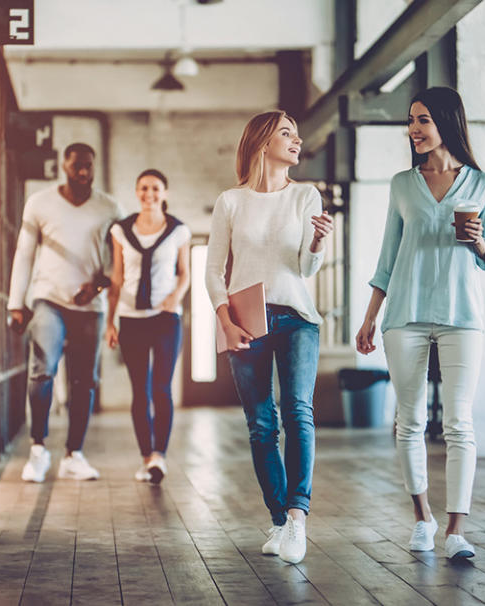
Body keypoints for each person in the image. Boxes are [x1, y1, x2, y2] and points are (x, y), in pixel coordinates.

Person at [356, 87, 485, 560]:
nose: (413, 129)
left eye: (421, 120)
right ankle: (423, 519)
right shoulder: (402, 184)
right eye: (411, 121)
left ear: (445, 122)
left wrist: (480, 242)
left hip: (462, 316)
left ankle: (456, 529)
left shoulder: (482, 183)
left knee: (459, 422)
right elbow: (387, 256)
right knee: (410, 420)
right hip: (405, 315)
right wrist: (369, 317)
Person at [205, 111, 333, 564]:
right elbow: (214, 269)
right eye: (287, 133)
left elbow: (306, 268)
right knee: (261, 424)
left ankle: (298, 517)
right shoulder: (231, 201)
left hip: (297, 316)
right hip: (246, 321)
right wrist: (225, 321)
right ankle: (279, 520)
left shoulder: (305, 195)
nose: (297, 140)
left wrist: (319, 242)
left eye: (297, 134)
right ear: (262, 141)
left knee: (298, 411)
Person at [7, 142, 123, 483]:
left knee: (84, 382)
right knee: (42, 371)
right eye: (77, 166)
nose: (84, 172)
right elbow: (25, 253)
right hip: (48, 299)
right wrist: (16, 303)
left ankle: (74, 454)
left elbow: (119, 261)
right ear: (64, 166)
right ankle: (39, 450)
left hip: (91, 305)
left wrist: (99, 285)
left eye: (89, 166)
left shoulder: (110, 207)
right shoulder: (40, 203)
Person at [105, 169, 191, 485]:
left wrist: (175, 297)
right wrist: (110, 322)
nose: (149, 193)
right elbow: (116, 278)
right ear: (137, 192)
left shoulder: (179, 231)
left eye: (155, 188)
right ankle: (145, 457)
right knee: (140, 391)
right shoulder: (121, 230)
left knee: (161, 387)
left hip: (166, 318)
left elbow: (185, 273)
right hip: (130, 318)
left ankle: (160, 456)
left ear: (165, 193)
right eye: (143, 188)